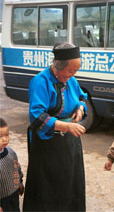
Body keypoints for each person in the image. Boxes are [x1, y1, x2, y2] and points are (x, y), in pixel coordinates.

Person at [23, 42, 88, 211]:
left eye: (76, 71)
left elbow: (82, 97)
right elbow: (37, 116)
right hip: (47, 145)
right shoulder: (40, 82)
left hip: (70, 144)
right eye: (71, 70)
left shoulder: (71, 80)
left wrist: (80, 109)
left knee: (71, 181)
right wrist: (66, 127)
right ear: (58, 66)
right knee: (49, 186)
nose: (74, 74)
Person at [0, 118, 24, 212]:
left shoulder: (11, 152)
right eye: (0, 136)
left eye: (7, 135)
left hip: (13, 196)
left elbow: (16, 168)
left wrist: (20, 182)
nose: (5, 139)